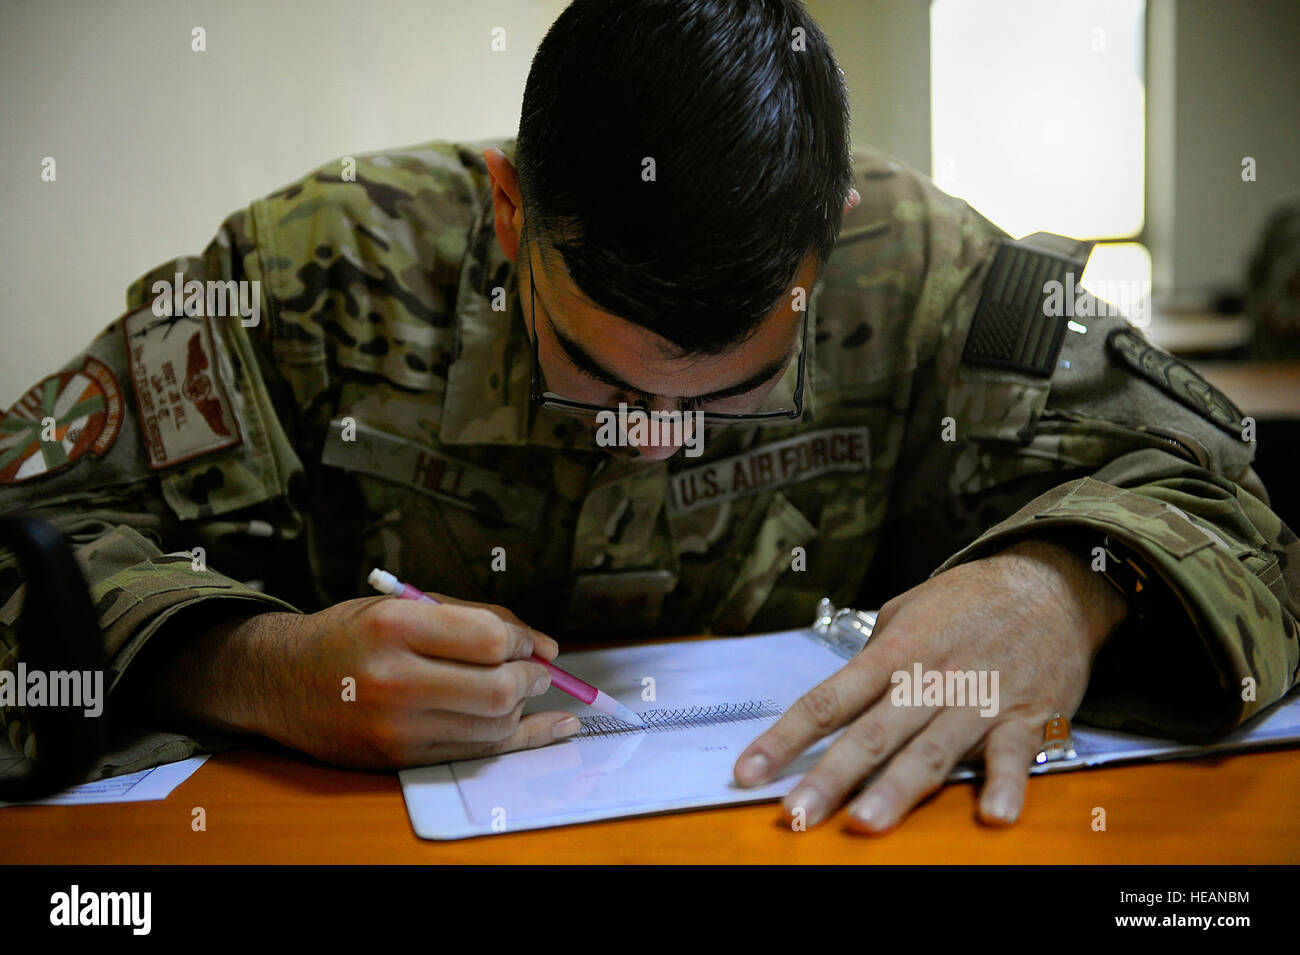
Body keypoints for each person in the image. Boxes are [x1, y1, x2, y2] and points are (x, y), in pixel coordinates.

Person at [1, 0, 1295, 834]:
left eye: (733, 388)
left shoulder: (930, 264)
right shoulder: (311, 271)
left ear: (827, 233)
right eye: (602, 377)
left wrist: (1075, 583)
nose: (655, 436)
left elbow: (1232, 498)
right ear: (510, 215)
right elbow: (30, 537)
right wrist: (249, 668)